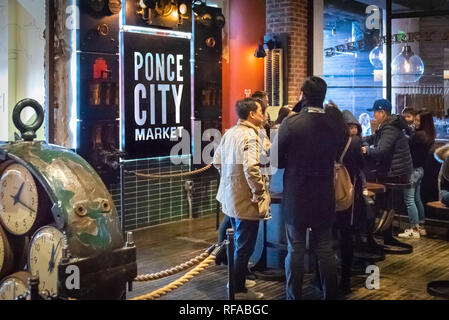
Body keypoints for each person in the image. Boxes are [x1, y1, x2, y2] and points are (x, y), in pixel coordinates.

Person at [276, 76, 346, 300]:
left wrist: (293, 161)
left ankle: (293, 296)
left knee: (295, 248)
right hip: (324, 190)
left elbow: (276, 160)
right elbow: (339, 149)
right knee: (325, 248)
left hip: (297, 190)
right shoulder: (336, 122)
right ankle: (331, 295)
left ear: (303, 95)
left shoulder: (291, 123)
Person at [213, 97, 271, 300]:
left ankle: (237, 281)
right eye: (261, 111)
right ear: (252, 114)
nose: (264, 115)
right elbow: (252, 167)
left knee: (239, 241)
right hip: (246, 199)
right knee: (245, 246)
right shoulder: (251, 136)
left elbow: (216, 161)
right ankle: (238, 288)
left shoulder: (230, 133)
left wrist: (230, 179)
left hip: (231, 197)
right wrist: (258, 192)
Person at [336, 110, 367, 294]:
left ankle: (322, 278)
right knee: (346, 235)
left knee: (324, 237)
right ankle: (345, 281)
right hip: (348, 193)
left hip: (327, 194)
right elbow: (361, 166)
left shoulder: (329, 141)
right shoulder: (354, 143)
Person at [398, 109, 436, 239]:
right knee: (417, 199)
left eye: (418, 120)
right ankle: (421, 226)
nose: (415, 122)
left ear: (424, 122)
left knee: (409, 200)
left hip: (411, 170)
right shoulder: (428, 135)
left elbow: (405, 143)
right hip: (420, 170)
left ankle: (413, 229)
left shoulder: (418, 135)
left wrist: (406, 130)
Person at [362, 99, 413, 184]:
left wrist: (366, 150)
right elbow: (372, 138)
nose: (373, 115)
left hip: (396, 173)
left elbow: (381, 151)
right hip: (397, 171)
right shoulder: (387, 125)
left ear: (382, 113)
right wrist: (359, 139)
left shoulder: (390, 128)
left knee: (365, 177)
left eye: (375, 112)